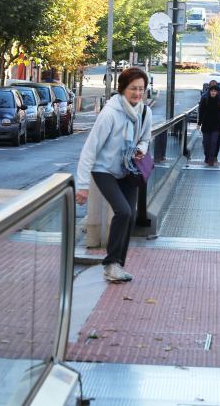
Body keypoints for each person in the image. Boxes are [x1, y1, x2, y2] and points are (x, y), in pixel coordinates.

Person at [76, 67, 152, 282]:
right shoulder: (110, 113)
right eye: (132, 89)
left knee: (131, 216)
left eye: (141, 89)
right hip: (104, 169)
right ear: (122, 89)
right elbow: (90, 149)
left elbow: (145, 139)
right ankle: (110, 265)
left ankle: (117, 264)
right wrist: (83, 185)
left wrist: (142, 150)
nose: (137, 93)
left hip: (128, 168)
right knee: (123, 212)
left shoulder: (144, 112)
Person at [198, 79, 220, 162]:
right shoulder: (205, 98)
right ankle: (207, 156)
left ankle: (212, 157)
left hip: (217, 125)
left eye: (214, 90)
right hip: (206, 124)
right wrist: (199, 123)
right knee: (206, 143)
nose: (213, 92)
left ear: (217, 89)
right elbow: (201, 111)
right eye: (211, 90)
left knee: (214, 142)